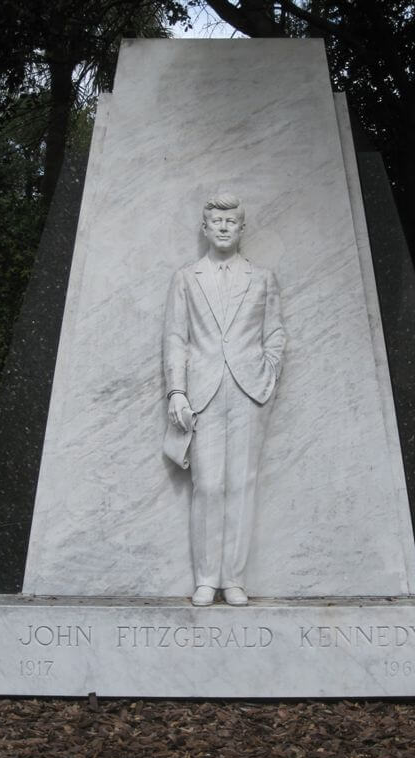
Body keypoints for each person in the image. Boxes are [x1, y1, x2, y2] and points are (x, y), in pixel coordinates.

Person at [163, 194, 285, 606]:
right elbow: (176, 337)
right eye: (216, 221)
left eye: (230, 221)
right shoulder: (186, 278)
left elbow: (276, 333)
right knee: (208, 486)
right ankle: (205, 578)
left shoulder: (263, 278)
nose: (223, 227)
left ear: (241, 228)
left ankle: (233, 579)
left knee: (242, 486)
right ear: (204, 227)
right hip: (203, 390)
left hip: (249, 388)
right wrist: (177, 390)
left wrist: (268, 372)